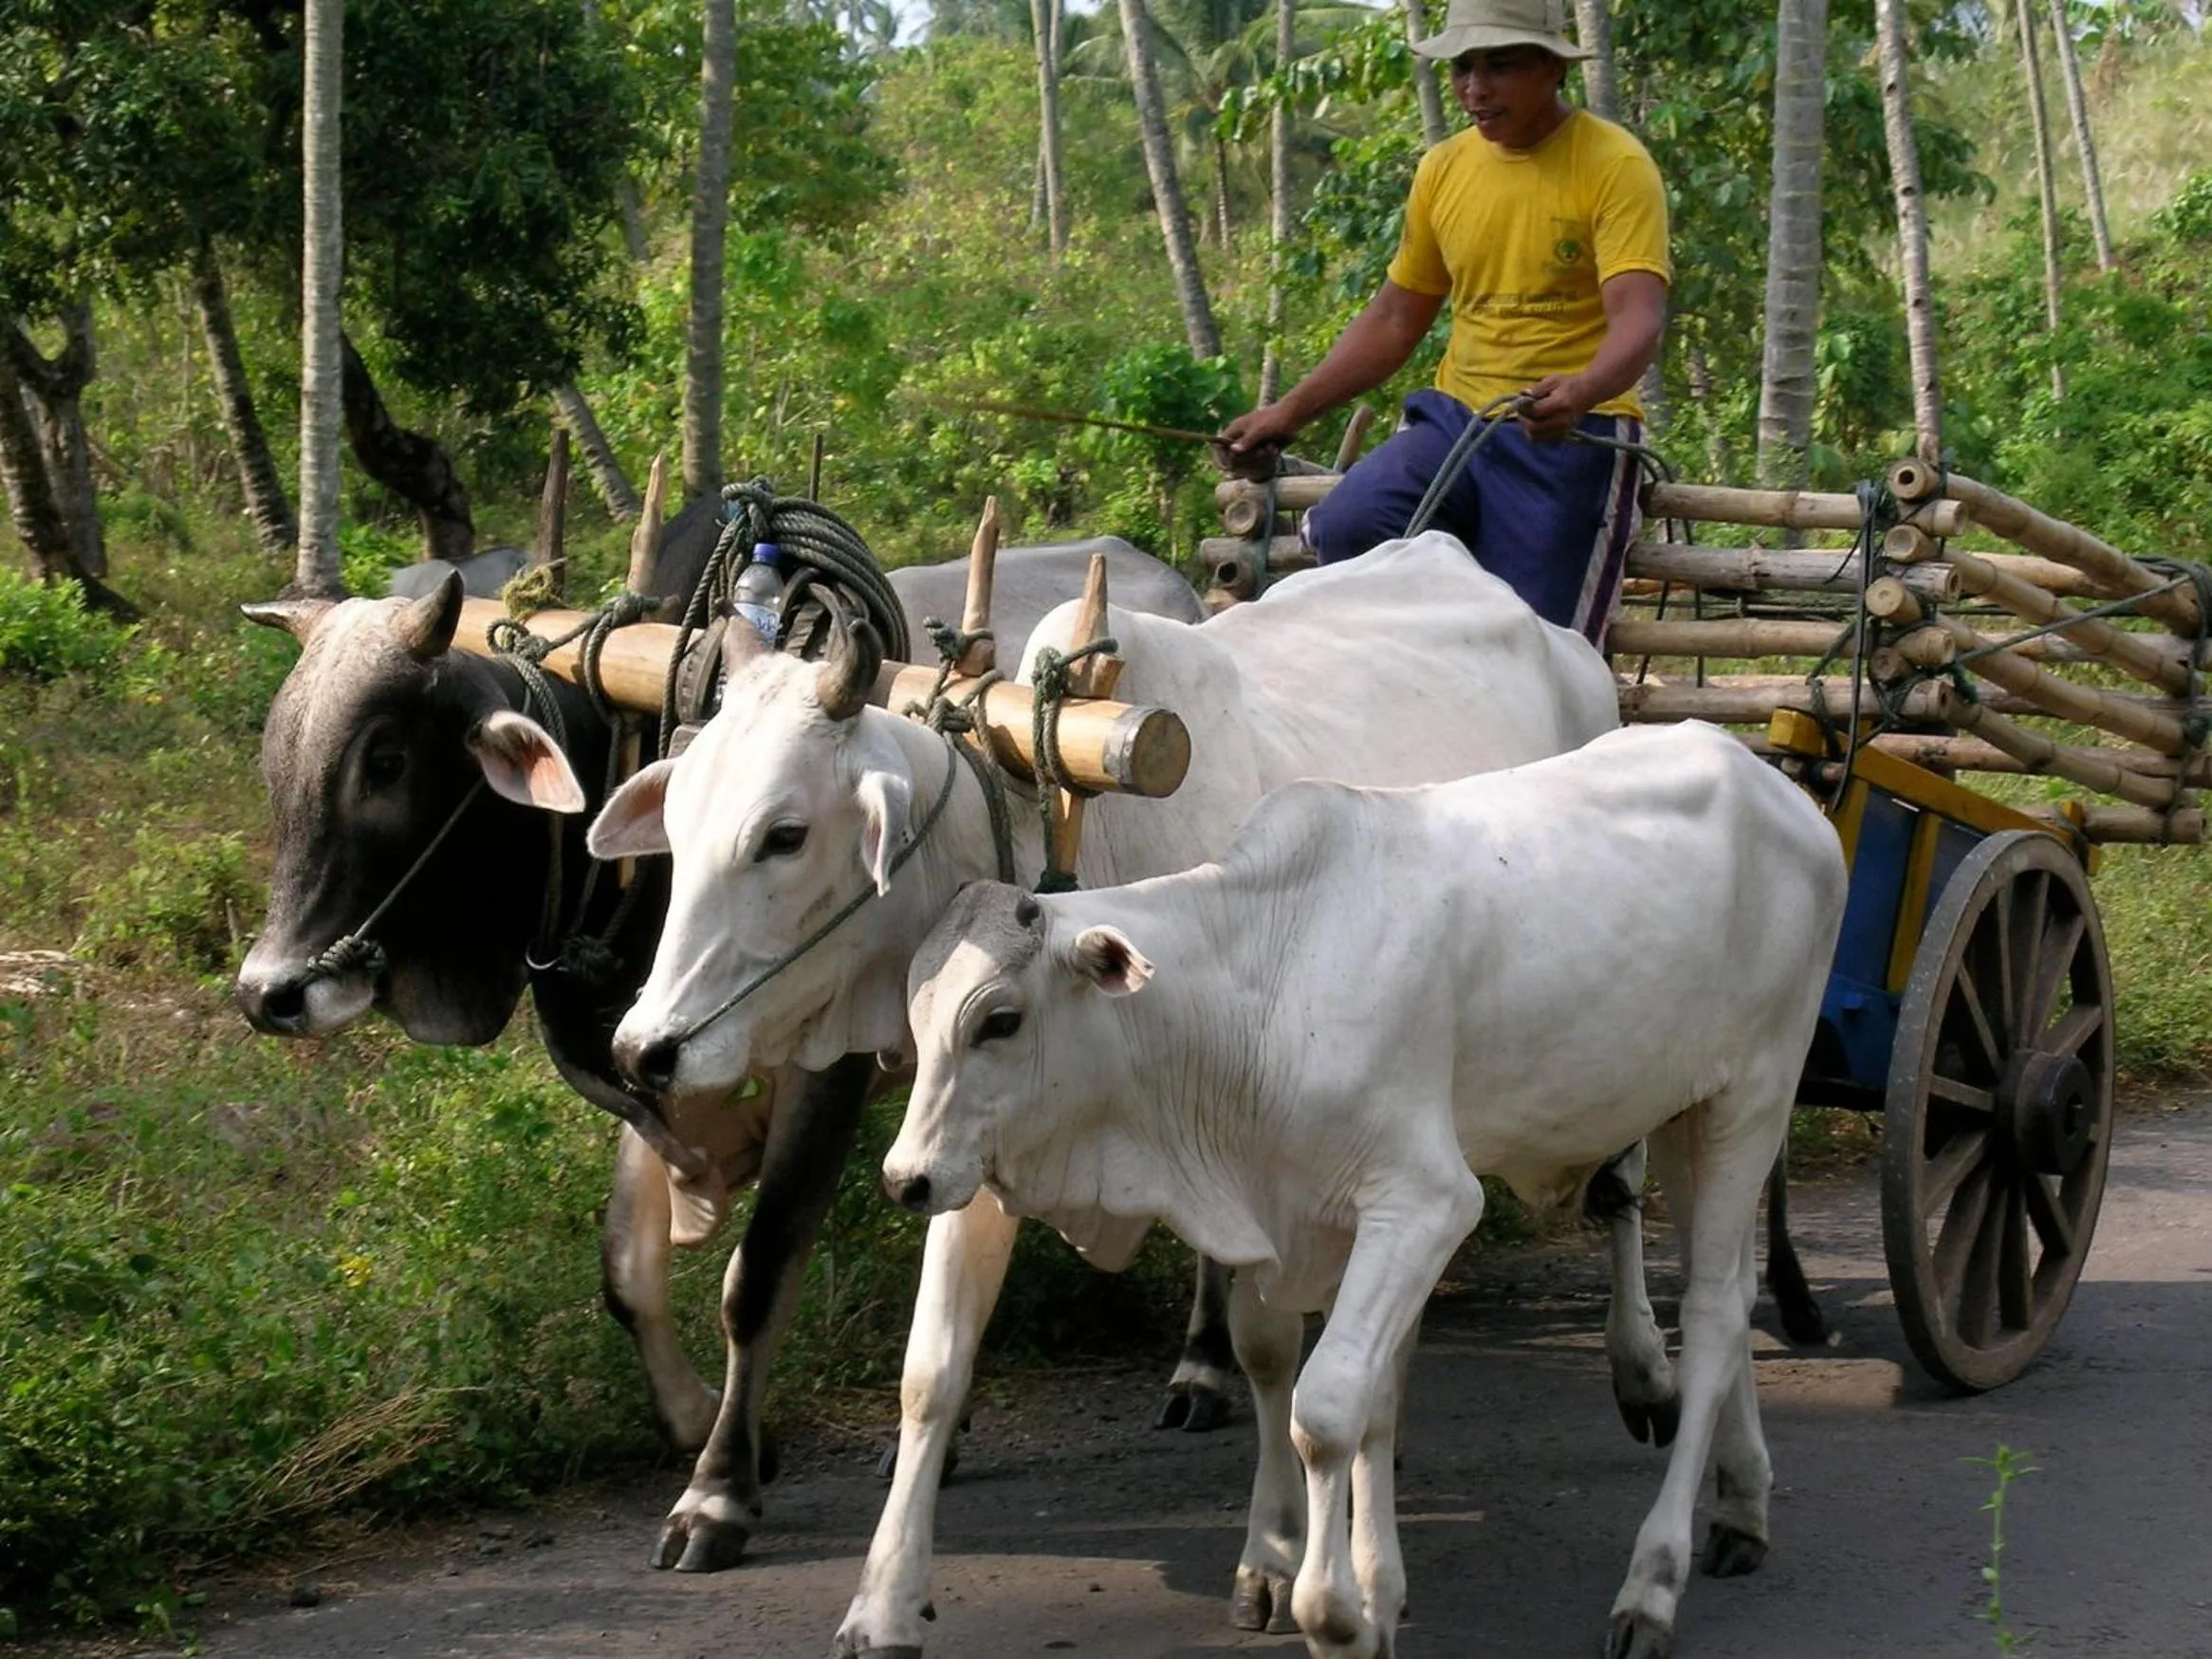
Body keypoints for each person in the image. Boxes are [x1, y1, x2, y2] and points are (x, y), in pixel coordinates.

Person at [1219, 0, 1669, 644]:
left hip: (1570, 437)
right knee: (1351, 524)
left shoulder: (1614, 165)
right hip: (1456, 423)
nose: (1474, 89)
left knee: (1538, 646)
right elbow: (1398, 316)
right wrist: (1287, 413)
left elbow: (1639, 316)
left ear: (1552, 70)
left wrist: (1581, 389)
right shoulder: (1444, 168)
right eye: (1463, 68)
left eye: (1500, 67)